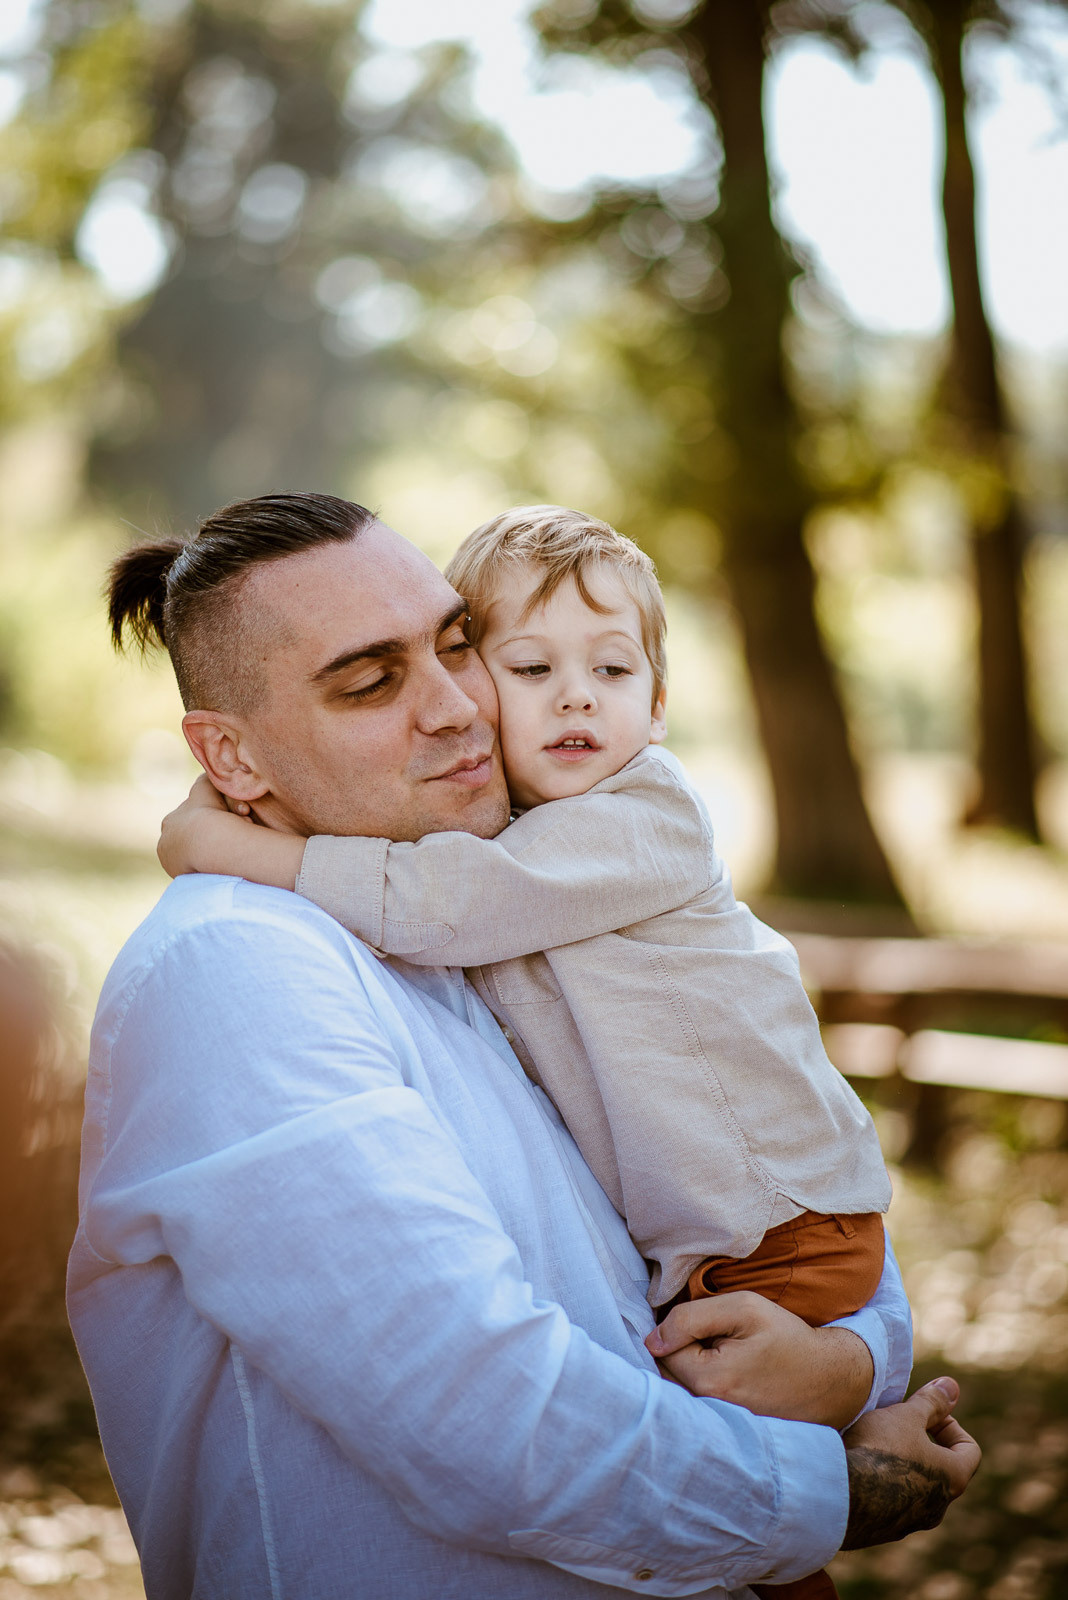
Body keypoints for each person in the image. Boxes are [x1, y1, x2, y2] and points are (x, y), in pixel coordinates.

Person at [69, 492, 979, 1600]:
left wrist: (849, 1359)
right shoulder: (240, 966)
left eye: (458, 644)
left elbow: (779, 1172)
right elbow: (489, 1419)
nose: (460, 705)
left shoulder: (505, 910)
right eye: (371, 682)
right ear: (232, 757)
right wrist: (838, 1486)